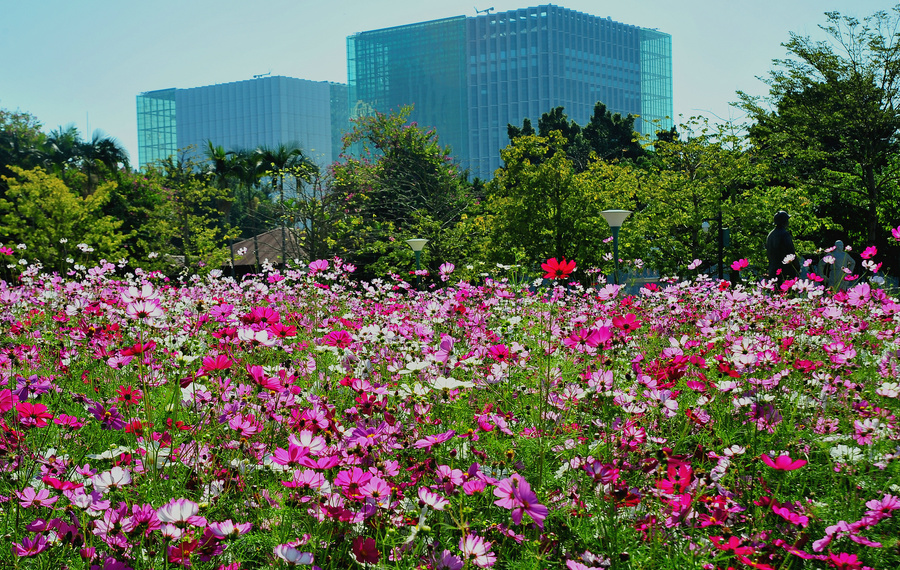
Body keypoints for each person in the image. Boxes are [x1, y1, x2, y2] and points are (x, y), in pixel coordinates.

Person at [765, 210, 798, 282]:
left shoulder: (770, 235)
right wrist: (797, 267)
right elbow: (791, 252)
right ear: (784, 222)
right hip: (785, 271)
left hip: (773, 271)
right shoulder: (784, 234)